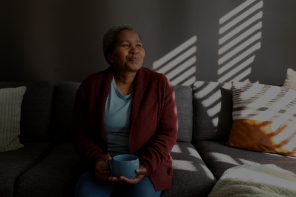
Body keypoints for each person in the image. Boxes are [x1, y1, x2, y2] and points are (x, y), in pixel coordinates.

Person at [71, 24, 178, 197]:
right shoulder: (90, 86)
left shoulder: (160, 84)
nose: (135, 50)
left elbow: (168, 133)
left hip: (144, 165)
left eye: (139, 45)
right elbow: (79, 132)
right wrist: (95, 161)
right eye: (126, 45)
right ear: (111, 56)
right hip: (103, 165)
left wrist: (145, 165)